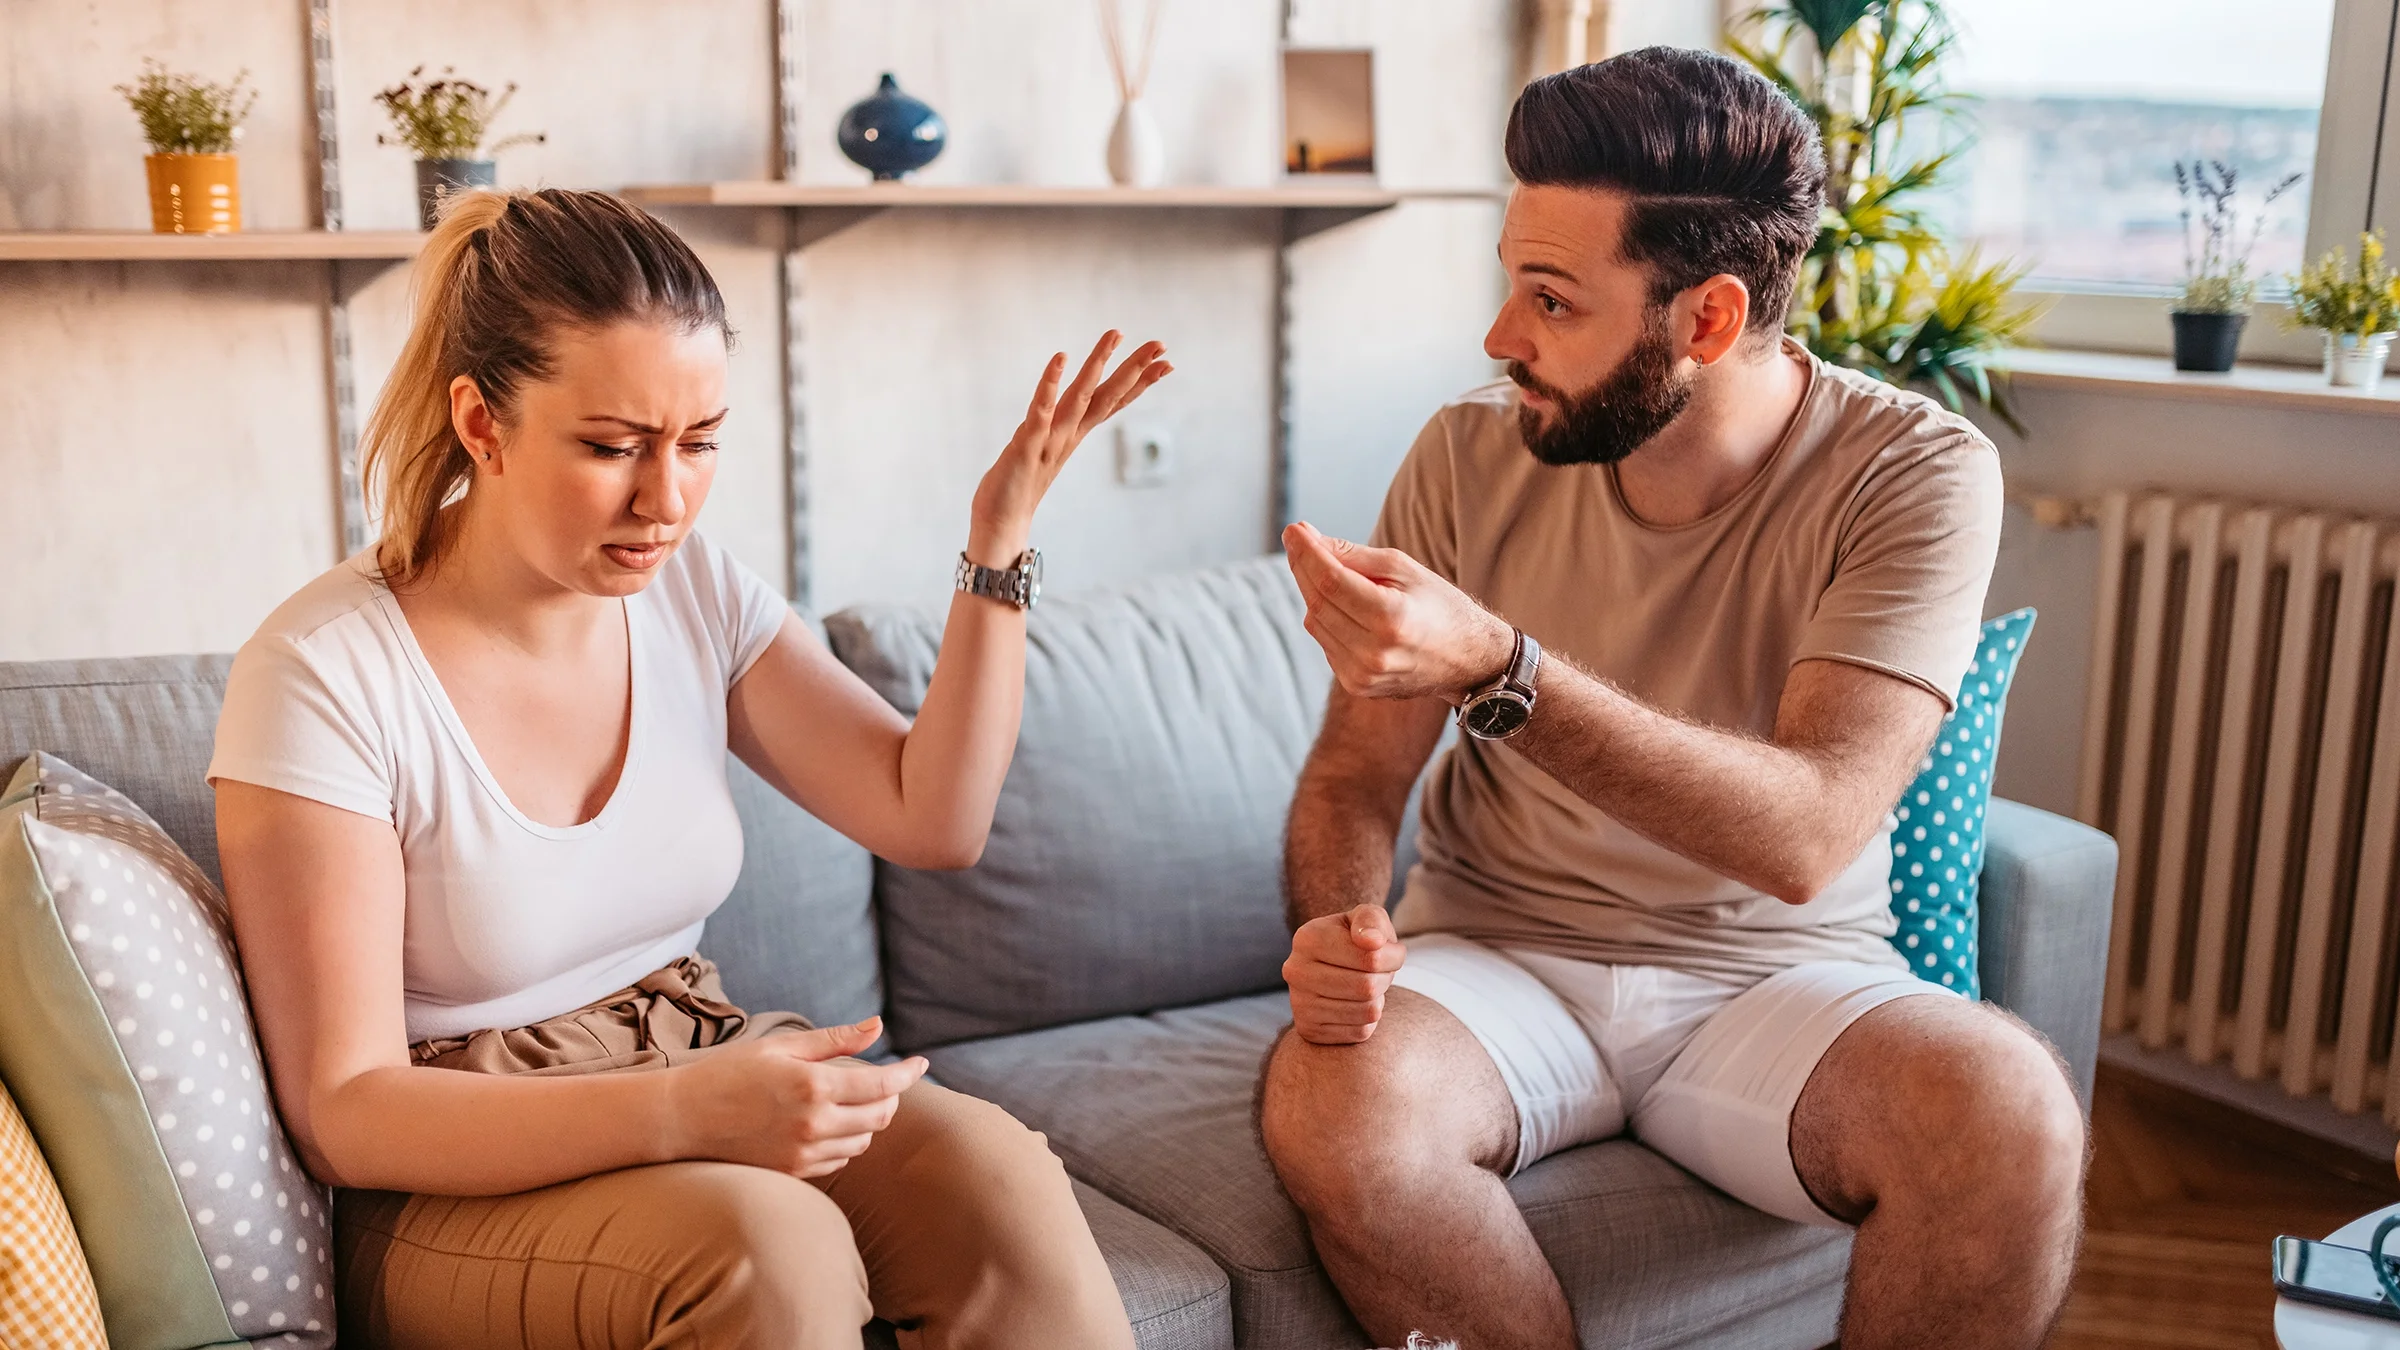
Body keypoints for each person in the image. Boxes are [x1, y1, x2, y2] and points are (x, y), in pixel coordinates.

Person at [207, 187, 1169, 1349]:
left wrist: (998, 545)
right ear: (482, 422)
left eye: (699, 444)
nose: (664, 501)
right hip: (448, 1174)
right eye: (612, 448)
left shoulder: (692, 590)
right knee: (770, 1248)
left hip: (692, 1051)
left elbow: (934, 816)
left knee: (993, 1171)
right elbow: (346, 1113)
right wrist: (682, 1111)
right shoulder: (323, 672)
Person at [1258, 48, 2082, 1350]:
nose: (1499, 338)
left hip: (1776, 979)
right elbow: (1357, 774)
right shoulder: (1468, 452)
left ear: (1703, 317)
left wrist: (1504, 669)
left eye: (1551, 299)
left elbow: (1807, 831)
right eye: (1507, 284)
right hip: (1498, 957)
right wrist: (1340, 928)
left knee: (2009, 1109)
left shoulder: (1912, 475)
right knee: (1331, 1101)